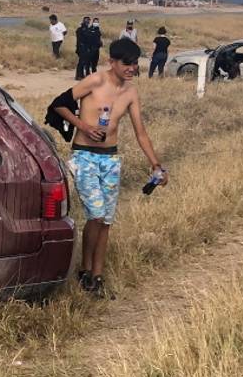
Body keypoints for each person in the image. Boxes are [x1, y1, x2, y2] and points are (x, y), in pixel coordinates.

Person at [46, 38, 167, 297]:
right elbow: (59, 103)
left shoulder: (131, 92)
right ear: (112, 62)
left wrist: (156, 164)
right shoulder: (95, 81)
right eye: (126, 63)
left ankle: (97, 275)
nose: (131, 68)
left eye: (135, 64)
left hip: (110, 159)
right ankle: (85, 270)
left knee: (106, 221)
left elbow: (141, 133)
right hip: (85, 156)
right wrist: (84, 126)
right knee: (97, 215)